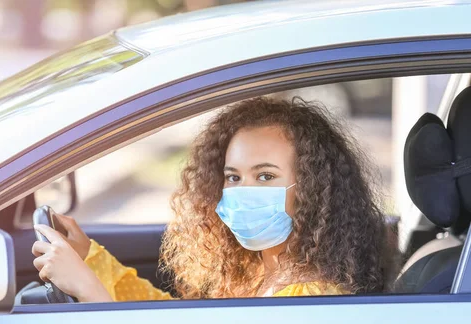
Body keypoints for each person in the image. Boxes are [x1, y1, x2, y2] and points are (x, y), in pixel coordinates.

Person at [32, 96, 390, 302]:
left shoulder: (308, 296)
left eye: (265, 176)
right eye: (233, 177)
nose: (243, 191)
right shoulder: (259, 274)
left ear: (313, 190)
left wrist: (87, 287)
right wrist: (89, 259)